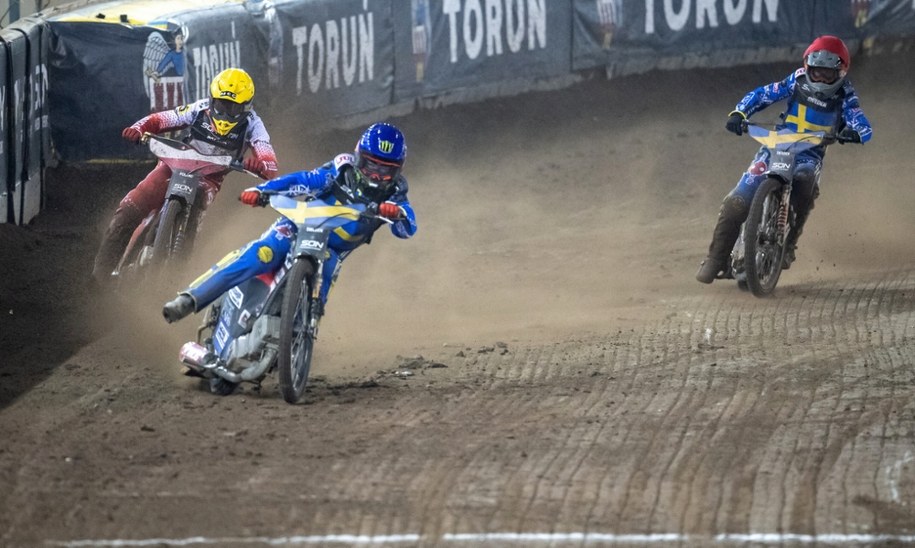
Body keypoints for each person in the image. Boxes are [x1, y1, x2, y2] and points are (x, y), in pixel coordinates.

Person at [161, 122, 417, 323]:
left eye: (385, 170)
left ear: (397, 170)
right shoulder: (341, 170)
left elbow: (407, 228)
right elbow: (303, 181)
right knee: (262, 253)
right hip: (297, 227)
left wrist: (397, 214)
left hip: (331, 250)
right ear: (359, 157)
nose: (376, 175)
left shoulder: (395, 194)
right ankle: (190, 298)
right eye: (371, 165)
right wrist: (263, 191)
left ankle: (302, 335)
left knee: (322, 287)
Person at [696, 35, 872, 284]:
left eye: (827, 74)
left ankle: (789, 241)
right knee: (736, 201)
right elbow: (763, 94)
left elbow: (860, 120)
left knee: (805, 180)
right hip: (775, 147)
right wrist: (739, 113)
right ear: (808, 67)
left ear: (841, 72)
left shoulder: (846, 95)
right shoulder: (796, 80)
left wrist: (856, 132)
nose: (820, 79)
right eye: (817, 72)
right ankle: (716, 259)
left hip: (809, 154)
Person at [91, 67, 279, 285]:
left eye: (233, 108)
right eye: (221, 105)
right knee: (130, 207)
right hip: (174, 165)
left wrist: (261, 165)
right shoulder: (199, 109)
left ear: (246, 107)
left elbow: (268, 158)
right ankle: (98, 279)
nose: (226, 113)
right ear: (212, 100)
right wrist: (139, 128)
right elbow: (163, 119)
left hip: (209, 178)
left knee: (197, 206)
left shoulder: (254, 125)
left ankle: (174, 277)